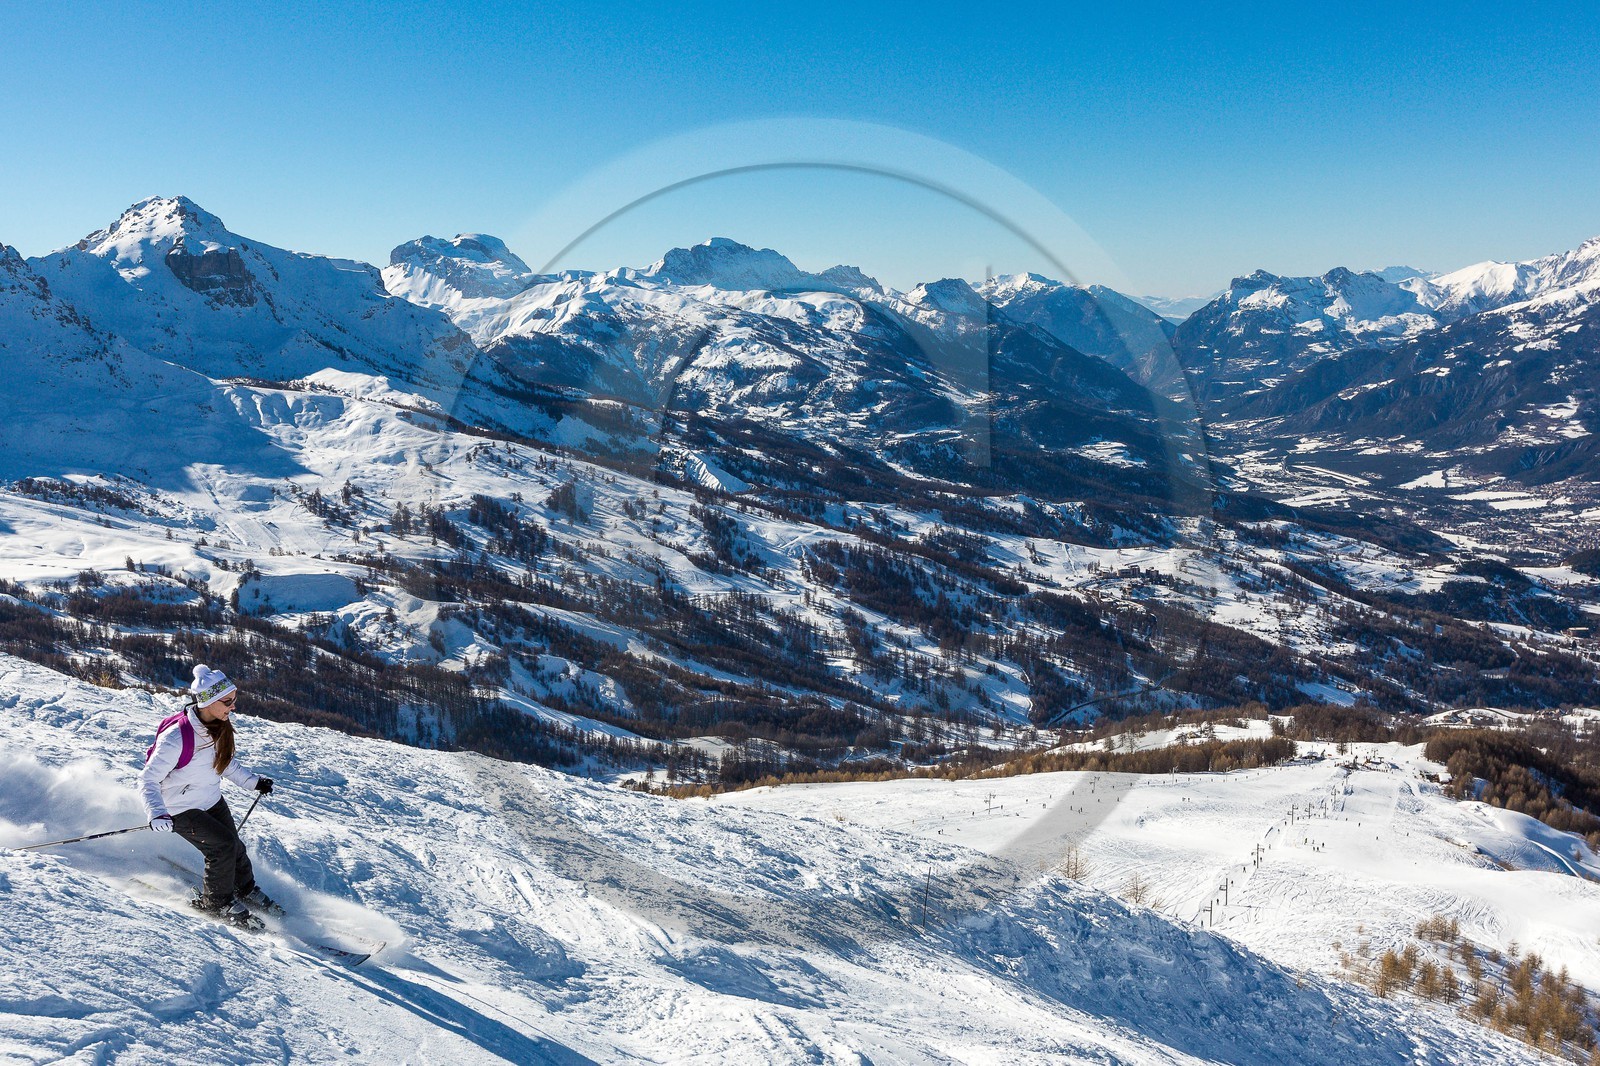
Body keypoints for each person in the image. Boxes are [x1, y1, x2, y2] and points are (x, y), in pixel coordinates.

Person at [141, 664, 278, 927]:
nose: (233, 706)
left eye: (234, 700)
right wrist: (157, 812)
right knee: (222, 847)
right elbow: (148, 778)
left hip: (209, 799)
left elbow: (223, 762)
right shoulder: (177, 737)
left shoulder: (218, 724)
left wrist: (253, 783)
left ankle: (244, 889)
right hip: (179, 807)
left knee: (234, 846)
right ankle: (217, 904)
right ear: (207, 701)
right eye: (227, 701)